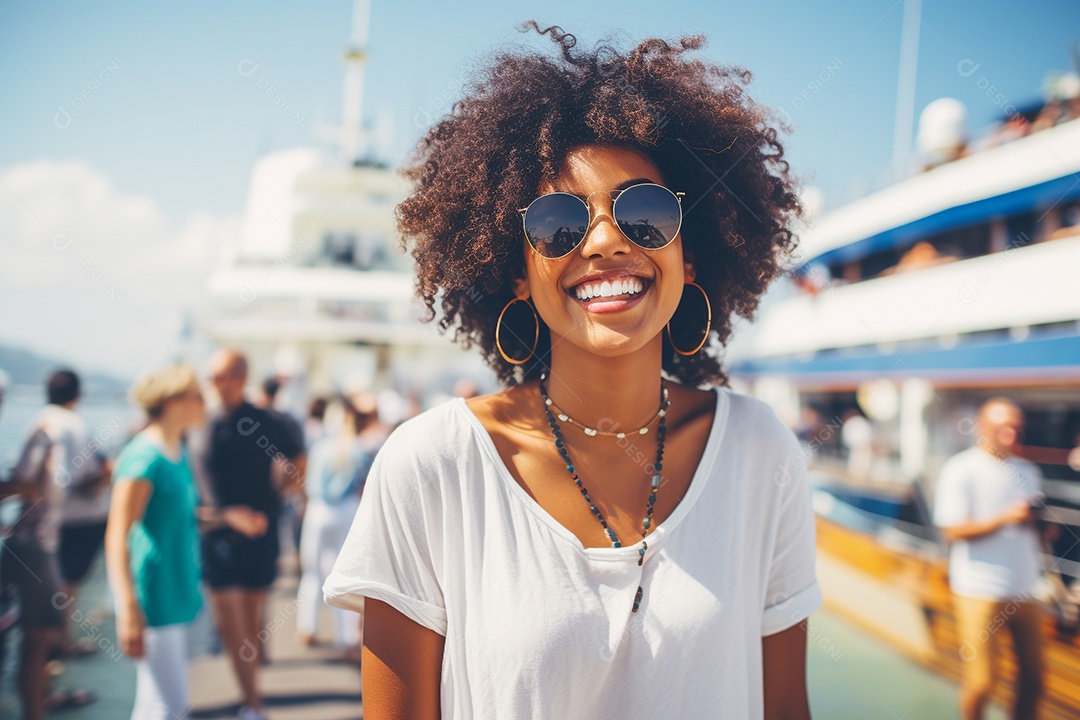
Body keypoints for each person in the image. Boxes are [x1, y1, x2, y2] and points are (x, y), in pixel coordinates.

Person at [324, 23, 820, 719]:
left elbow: (785, 707)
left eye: (645, 213)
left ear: (694, 250)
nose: (607, 241)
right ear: (517, 273)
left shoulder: (758, 452)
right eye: (558, 223)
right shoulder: (433, 465)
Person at [106, 364, 267, 720]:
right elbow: (117, 534)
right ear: (173, 402)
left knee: (156, 706)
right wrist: (129, 609)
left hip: (174, 590)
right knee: (169, 709)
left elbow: (182, 515)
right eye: (198, 397)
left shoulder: (173, 450)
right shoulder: (144, 457)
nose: (205, 404)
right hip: (154, 597)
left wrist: (226, 517)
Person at [203, 349, 305, 720]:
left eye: (223, 376)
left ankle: (252, 683)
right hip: (216, 533)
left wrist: (281, 490)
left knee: (250, 613)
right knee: (230, 623)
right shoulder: (202, 423)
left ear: (241, 377)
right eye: (212, 376)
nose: (217, 383)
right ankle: (253, 702)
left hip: (261, 530)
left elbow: (298, 458)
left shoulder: (267, 421)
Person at [933, 398, 1047, 720]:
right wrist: (1004, 518)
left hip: (1025, 587)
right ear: (982, 427)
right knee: (982, 682)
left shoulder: (1028, 471)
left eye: (1017, 429)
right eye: (1003, 429)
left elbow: (1030, 528)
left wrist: (1041, 527)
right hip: (978, 589)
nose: (1011, 436)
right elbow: (951, 530)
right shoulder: (961, 469)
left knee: (1034, 681)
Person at [0, 369, 100, 717]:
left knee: (34, 635)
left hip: (29, 540)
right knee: (39, 637)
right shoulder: (64, 426)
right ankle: (35, 707)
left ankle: (37, 702)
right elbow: (31, 480)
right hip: (38, 544)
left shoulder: (42, 424)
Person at [296, 395, 382, 659]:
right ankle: (346, 638)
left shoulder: (320, 447)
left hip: (318, 510)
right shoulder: (358, 448)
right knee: (345, 574)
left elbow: (310, 484)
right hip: (346, 509)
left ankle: (306, 627)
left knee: (312, 571)